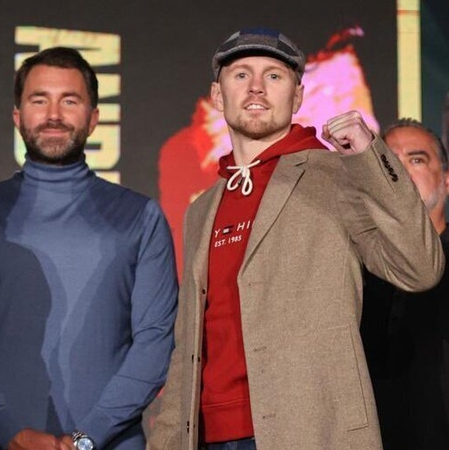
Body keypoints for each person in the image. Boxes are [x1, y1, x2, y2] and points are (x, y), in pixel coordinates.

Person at [148, 28, 444, 450]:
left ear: (298, 97)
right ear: (218, 95)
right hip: (208, 437)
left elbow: (419, 267)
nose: (256, 87)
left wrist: (369, 157)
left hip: (310, 432)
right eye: (241, 75)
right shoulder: (203, 208)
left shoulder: (336, 173)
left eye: (274, 76)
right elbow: (190, 345)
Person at [0, 47, 179, 450]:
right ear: (17, 116)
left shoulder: (139, 216)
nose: (53, 114)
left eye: (69, 100)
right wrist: (9, 431)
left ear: (94, 119)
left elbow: (155, 341)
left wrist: (87, 438)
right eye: (40, 100)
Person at [360, 118, 449, 449]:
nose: (400, 172)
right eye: (388, 162)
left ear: (447, 179)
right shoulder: (355, 268)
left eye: (416, 159)